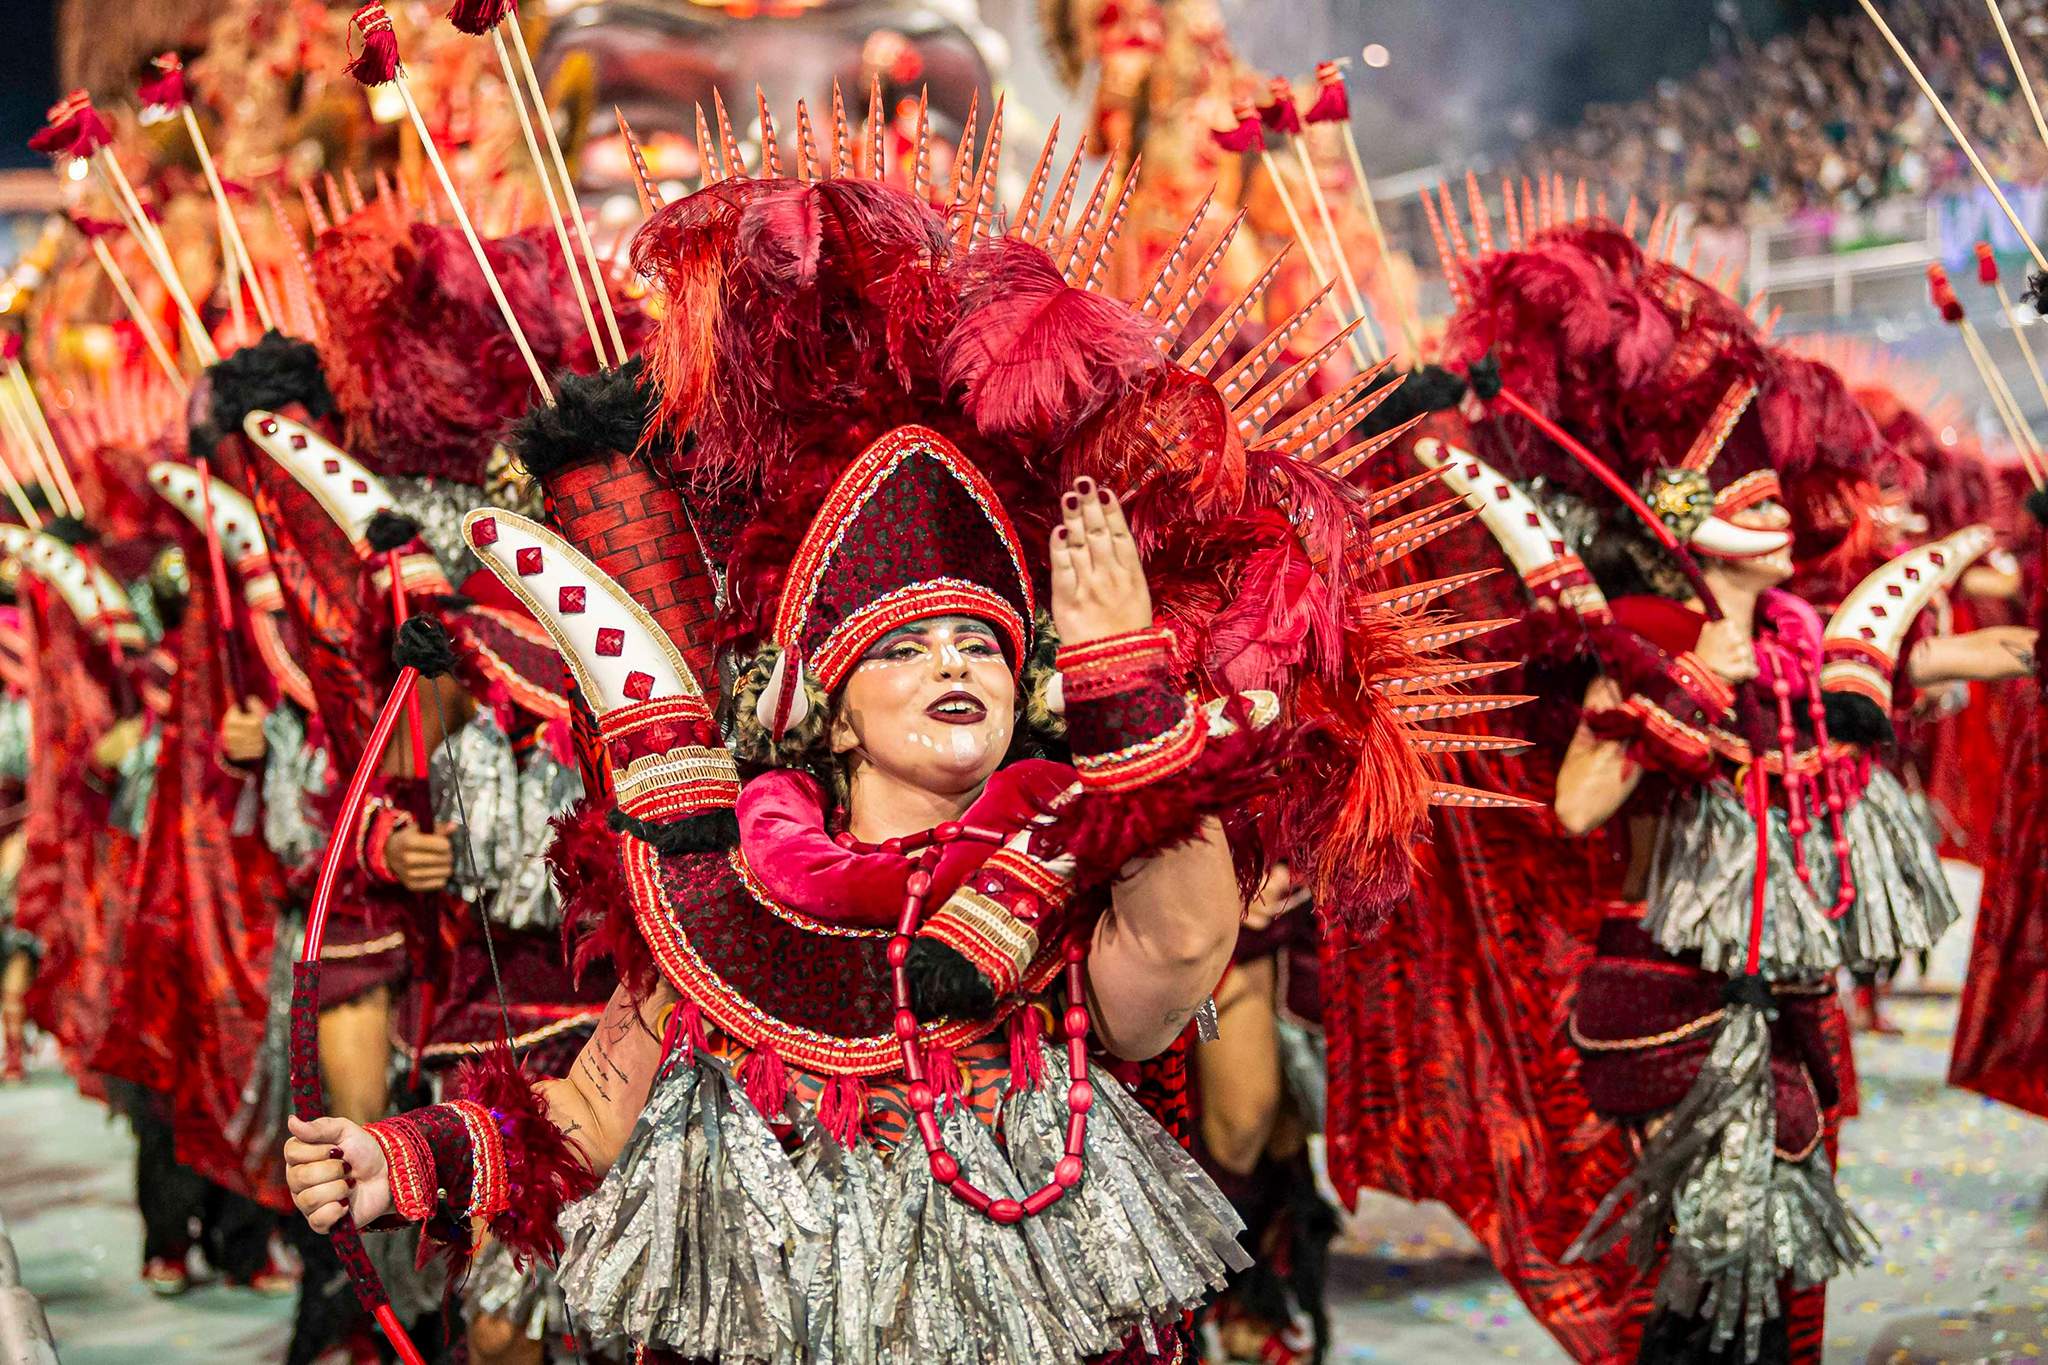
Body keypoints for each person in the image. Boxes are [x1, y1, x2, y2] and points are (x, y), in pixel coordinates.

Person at [280, 114, 1523, 1364]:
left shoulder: (1064, 885)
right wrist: (396, 1162)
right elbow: (591, 1108)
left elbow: (1180, 949)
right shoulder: (719, 892)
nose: (952, 664)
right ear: (825, 704)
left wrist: (1119, 672)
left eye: (982, 643)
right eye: (906, 646)